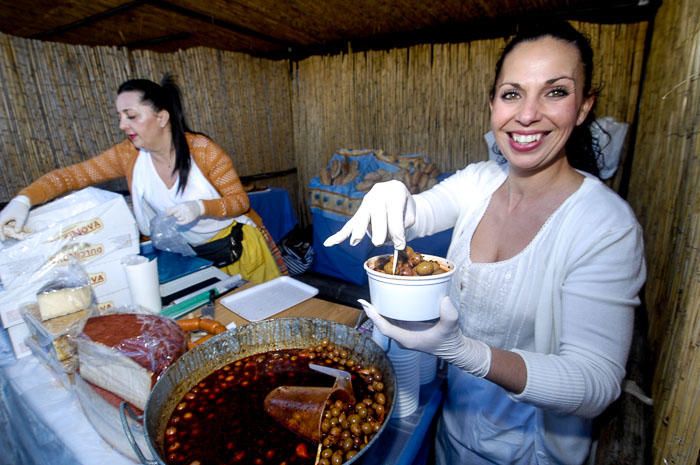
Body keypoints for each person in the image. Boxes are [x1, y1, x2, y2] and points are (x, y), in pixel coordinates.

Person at [324, 20, 646, 465]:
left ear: (584, 106)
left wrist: (463, 352)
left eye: (555, 92)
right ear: (493, 103)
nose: (528, 114)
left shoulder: (605, 226)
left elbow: (595, 384)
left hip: (532, 450)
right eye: (512, 93)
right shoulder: (479, 181)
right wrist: (396, 198)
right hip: (453, 426)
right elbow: (423, 211)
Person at [0, 74, 285, 283]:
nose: (122, 125)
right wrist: (22, 201)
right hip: (190, 258)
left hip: (240, 250)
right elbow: (70, 177)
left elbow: (239, 201)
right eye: (120, 116)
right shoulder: (129, 156)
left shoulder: (202, 151)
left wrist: (201, 208)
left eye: (131, 116)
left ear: (161, 118)